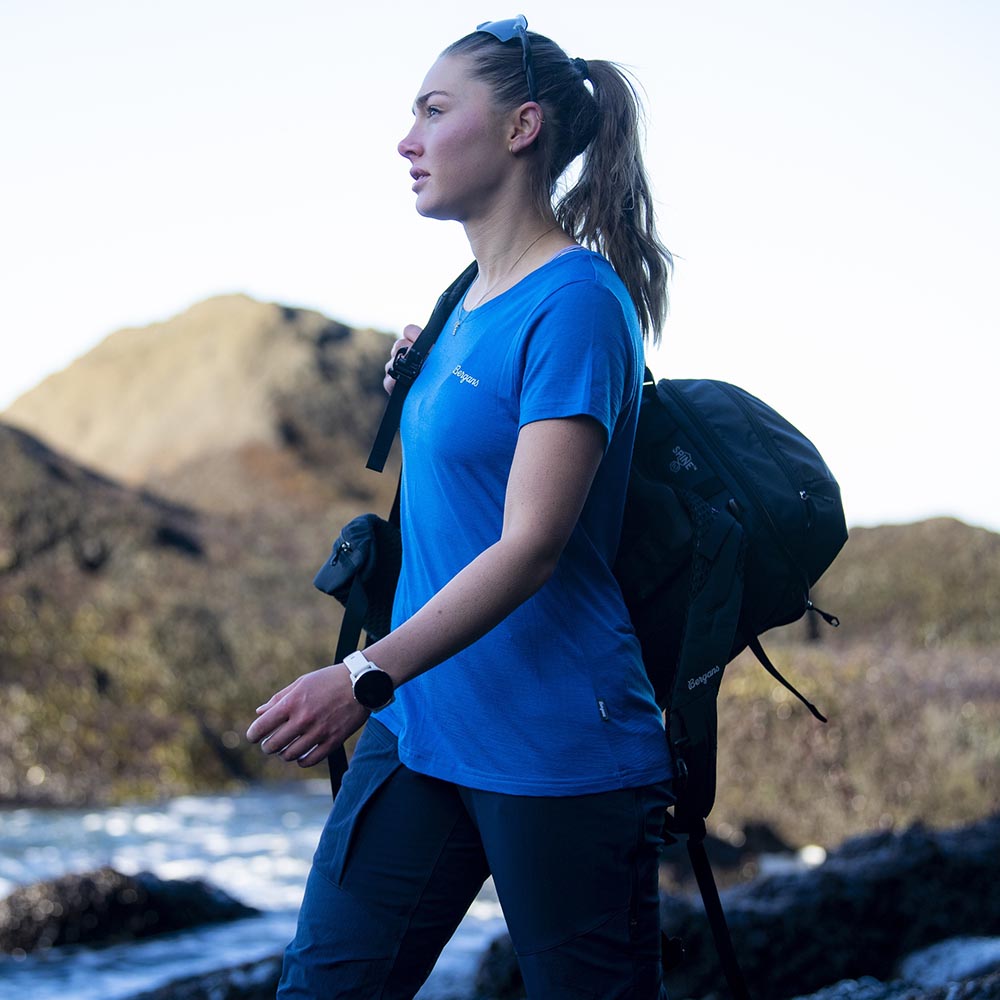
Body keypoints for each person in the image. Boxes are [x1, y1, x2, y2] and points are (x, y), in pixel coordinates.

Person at [247, 14, 674, 999]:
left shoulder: (576, 302)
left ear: (521, 126)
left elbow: (530, 546)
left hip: (556, 745)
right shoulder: (459, 302)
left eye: (435, 111)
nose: (408, 139)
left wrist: (357, 674)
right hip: (423, 724)